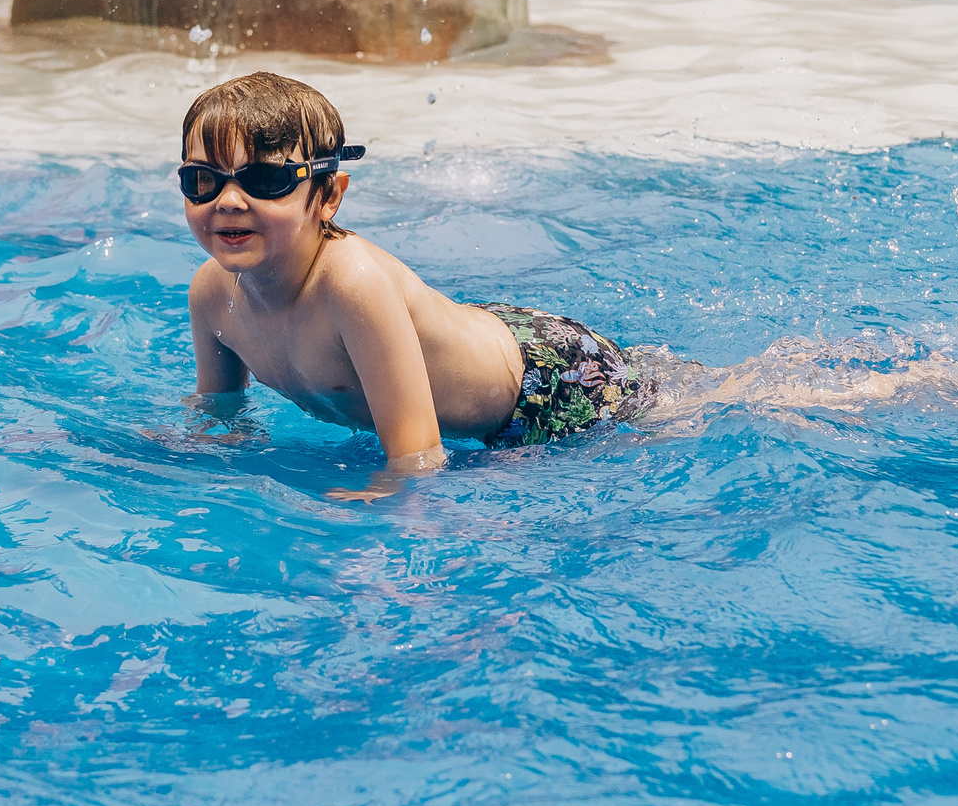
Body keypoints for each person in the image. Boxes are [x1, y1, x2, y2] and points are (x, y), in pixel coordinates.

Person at [182, 73, 645, 497]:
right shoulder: (210, 294)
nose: (228, 201)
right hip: (474, 332)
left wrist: (384, 499)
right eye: (202, 180)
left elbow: (419, 456)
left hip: (550, 381)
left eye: (265, 180)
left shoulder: (352, 284)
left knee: (675, 406)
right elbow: (220, 413)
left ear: (328, 196)